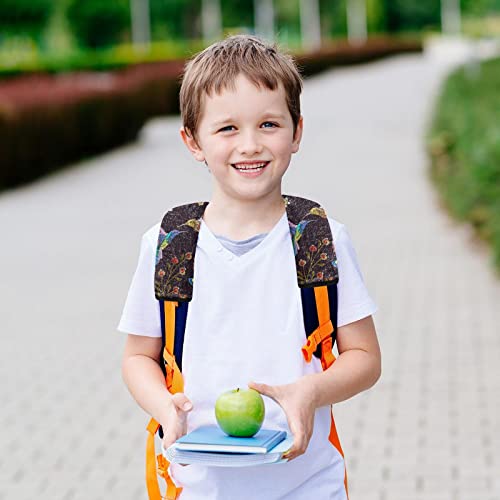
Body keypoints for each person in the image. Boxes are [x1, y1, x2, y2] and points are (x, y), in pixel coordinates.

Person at [119, 34, 381, 500]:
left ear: (296, 131)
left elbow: (364, 358)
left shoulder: (321, 240)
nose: (251, 145)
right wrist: (165, 408)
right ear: (192, 140)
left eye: (268, 124)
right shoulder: (169, 244)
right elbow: (139, 356)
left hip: (307, 483)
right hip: (197, 486)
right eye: (227, 129)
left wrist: (312, 391)